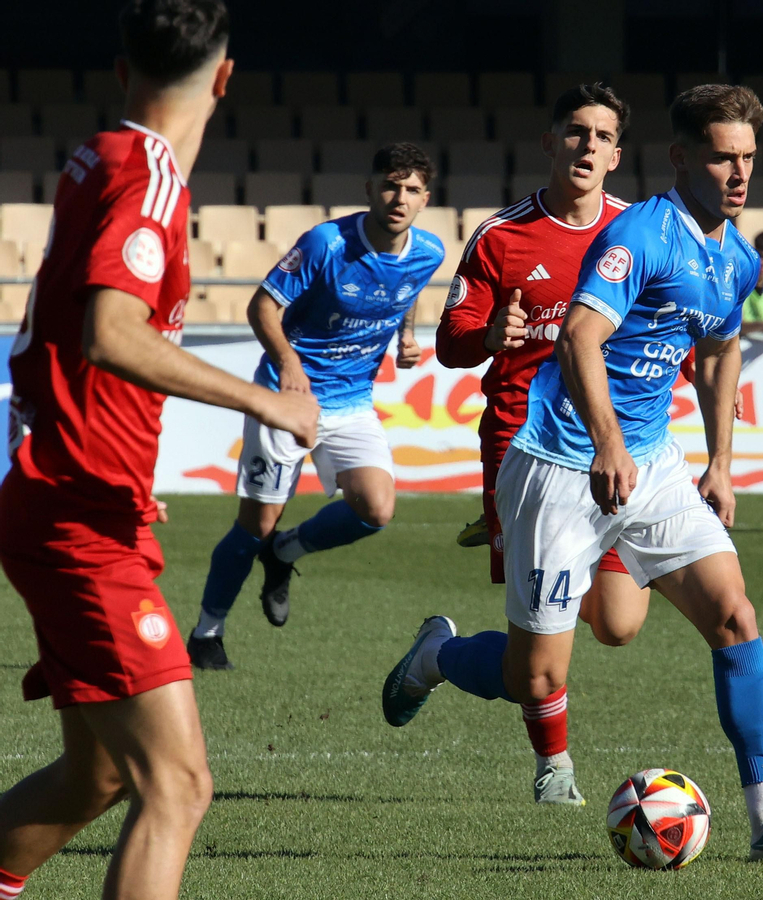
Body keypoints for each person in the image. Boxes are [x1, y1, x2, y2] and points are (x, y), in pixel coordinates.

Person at [382, 83, 763, 861]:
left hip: (652, 465)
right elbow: (578, 338)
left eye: (747, 158)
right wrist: (606, 443)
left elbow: (720, 352)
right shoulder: (640, 236)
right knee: (535, 678)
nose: (739, 173)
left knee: (733, 615)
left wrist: (721, 464)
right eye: (722, 157)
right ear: (680, 159)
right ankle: (436, 656)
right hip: (561, 466)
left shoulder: (735, 255)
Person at [0, 3, 319, 897]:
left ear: (120, 70)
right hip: (77, 515)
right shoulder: (148, 177)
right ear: (225, 78)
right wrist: (266, 399)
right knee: (177, 787)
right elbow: (110, 332)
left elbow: (56, 341)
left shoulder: (101, 157)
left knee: (96, 775)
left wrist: (114, 468)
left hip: (77, 496)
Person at [433, 84, 650, 806]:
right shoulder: (501, 236)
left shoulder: (638, 232)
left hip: (610, 447)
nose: (588, 145)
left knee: (616, 623)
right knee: (539, 659)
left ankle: (440, 656)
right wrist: (488, 335)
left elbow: (662, 323)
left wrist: (703, 376)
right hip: (523, 448)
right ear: (550, 142)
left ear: (616, 155)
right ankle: (554, 766)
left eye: (602, 136)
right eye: (576, 132)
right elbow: (450, 342)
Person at [185, 143, 445, 669]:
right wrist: (289, 363)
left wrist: (408, 335)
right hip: (287, 400)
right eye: (390, 185)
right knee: (254, 525)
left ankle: (285, 552)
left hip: (352, 401)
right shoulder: (326, 243)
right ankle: (207, 633)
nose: (400, 198)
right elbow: (262, 306)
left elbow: (408, 288)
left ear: (425, 199)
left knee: (376, 509)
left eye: (412, 190)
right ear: (370, 189)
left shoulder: (430, 252)